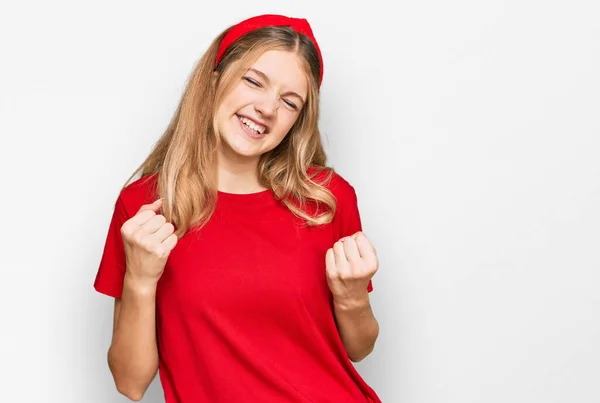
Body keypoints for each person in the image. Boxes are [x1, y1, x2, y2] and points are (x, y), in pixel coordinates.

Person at [93, 13, 381, 402]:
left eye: (289, 102)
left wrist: (351, 297)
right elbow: (130, 383)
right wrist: (140, 281)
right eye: (253, 81)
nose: (267, 108)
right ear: (215, 80)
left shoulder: (326, 200)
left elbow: (359, 348)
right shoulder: (145, 208)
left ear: (297, 121)